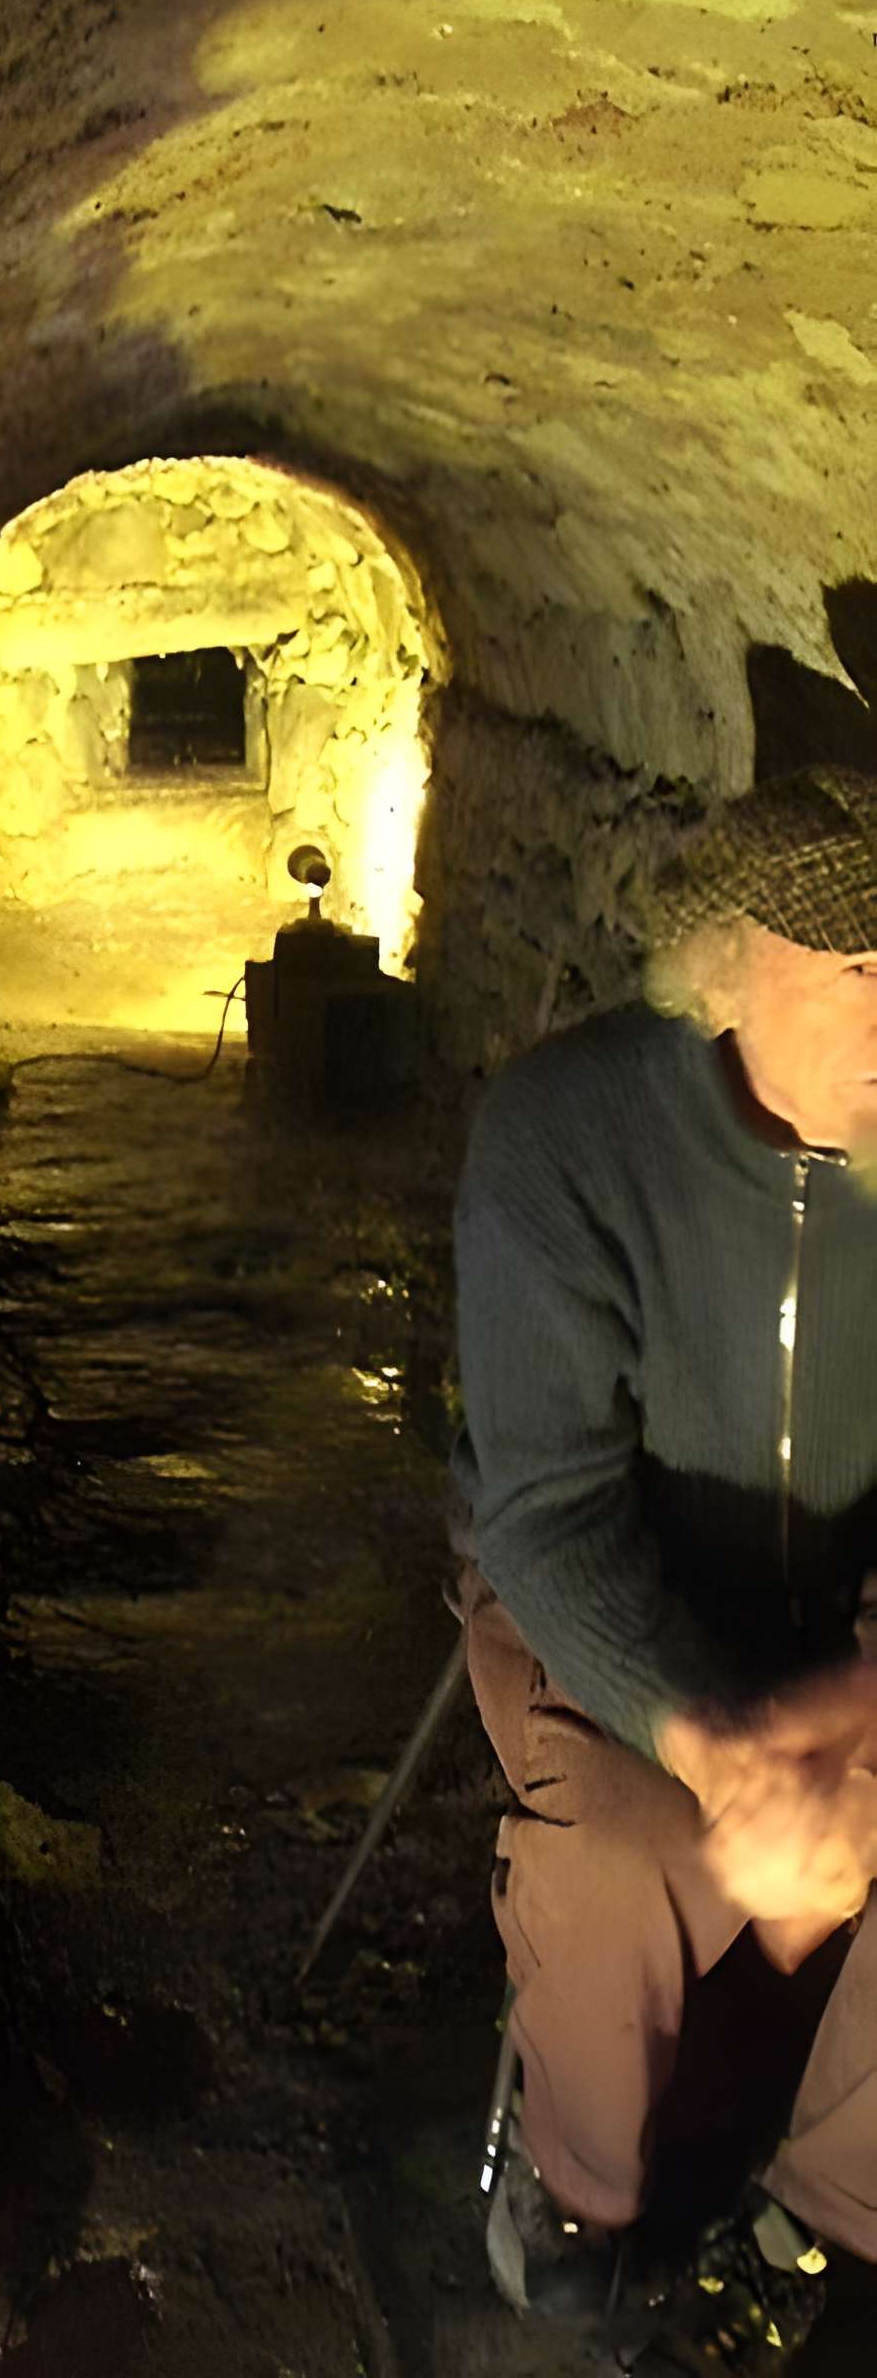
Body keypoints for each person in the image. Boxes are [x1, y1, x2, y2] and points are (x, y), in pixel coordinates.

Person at [451, 763, 877, 2362]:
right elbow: (548, 1518)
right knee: (624, 1856)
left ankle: (822, 2224)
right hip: (605, 1608)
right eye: (861, 972)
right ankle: (574, 2175)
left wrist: (858, 1711)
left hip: (837, 1626)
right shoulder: (571, 1134)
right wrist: (722, 1750)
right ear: (730, 958)